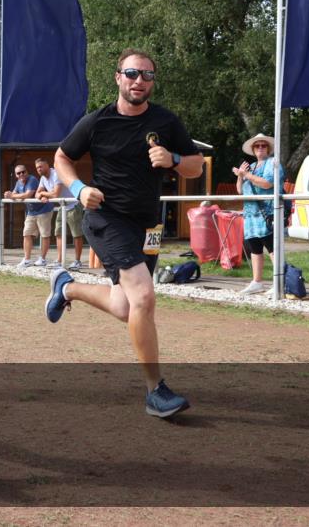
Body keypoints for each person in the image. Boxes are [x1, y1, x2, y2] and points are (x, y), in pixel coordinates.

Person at [47, 48, 204, 418]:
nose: (139, 81)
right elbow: (61, 157)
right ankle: (155, 391)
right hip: (107, 218)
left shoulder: (166, 122)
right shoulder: (96, 122)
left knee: (125, 306)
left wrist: (174, 160)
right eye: (132, 73)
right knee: (144, 297)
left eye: (147, 75)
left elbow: (196, 166)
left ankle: (67, 288)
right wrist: (78, 189)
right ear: (118, 77)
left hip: (147, 225)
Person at [233, 134, 280, 294]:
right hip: (251, 214)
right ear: (253, 149)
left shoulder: (273, 163)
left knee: (272, 247)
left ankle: (279, 282)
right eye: (257, 146)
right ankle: (257, 282)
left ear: (268, 148)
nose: (260, 148)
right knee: (255, 247)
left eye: (263, 145)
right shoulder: (251, 166)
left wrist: (246, 175)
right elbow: (240, 190)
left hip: (267, 213)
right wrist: (240, 176)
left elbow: (267, 183)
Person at [35, 156, 85, 269]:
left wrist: (43, 194)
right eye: (37, 168)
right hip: (62, 206)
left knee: (76, 234)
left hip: (73, 204)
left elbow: (55, 194)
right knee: (58, 233)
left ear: (47, 165)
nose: (39, 169)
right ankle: (59, 260)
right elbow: (37, 194)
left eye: (41, 166)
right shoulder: (43, 178)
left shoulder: (56, 174)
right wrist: (41, 196)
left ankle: (77, 261)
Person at [3, 164, 54, 268]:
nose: (21, 174)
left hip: (44, 210)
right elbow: (13, 195)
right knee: (26, 234)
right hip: (31, 212)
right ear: (16, 175)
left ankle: (43, 259)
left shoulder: (32, 179)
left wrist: (12, 196)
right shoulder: (18, 183)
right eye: (19, 173)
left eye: (23, 172)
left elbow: (27, 195)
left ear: (27, 172)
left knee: (44, 235)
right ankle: (27, 260)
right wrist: (11, 195)